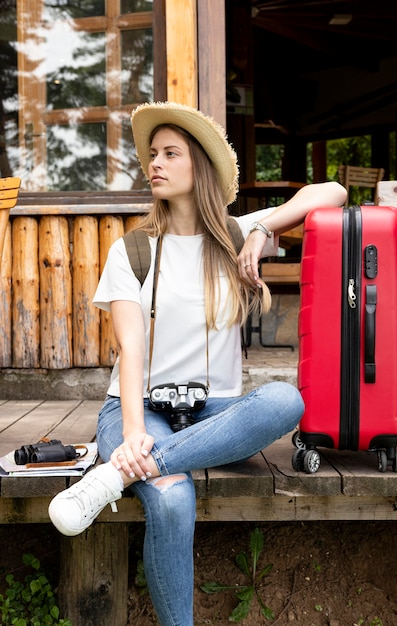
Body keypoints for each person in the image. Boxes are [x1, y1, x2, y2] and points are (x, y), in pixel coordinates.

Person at [48, 101, 347, 625]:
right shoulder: (132, 251)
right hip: (136, 407)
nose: (154, 165)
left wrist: (261, 230)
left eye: (170, 153)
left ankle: (112, 477)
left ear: (200, 166)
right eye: (151, 155)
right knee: (170, 500)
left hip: (217, 413)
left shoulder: (234, 235)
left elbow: (334, 193)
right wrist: (137, 432)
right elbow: (130, 350)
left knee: (284, 399)